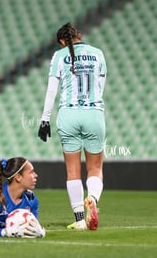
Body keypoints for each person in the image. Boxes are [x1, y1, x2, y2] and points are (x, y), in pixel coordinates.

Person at [38, 22, 107, 231]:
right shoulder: (98, 54)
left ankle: (79, 219)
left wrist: (44, 120)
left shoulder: (59, 56)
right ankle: (92, 199)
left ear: (61, 42)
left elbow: (51, 91)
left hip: (68, 114)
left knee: (72, 171)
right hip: (93, 113)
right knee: (95, 168)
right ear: (79, 34)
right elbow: (100, 87)